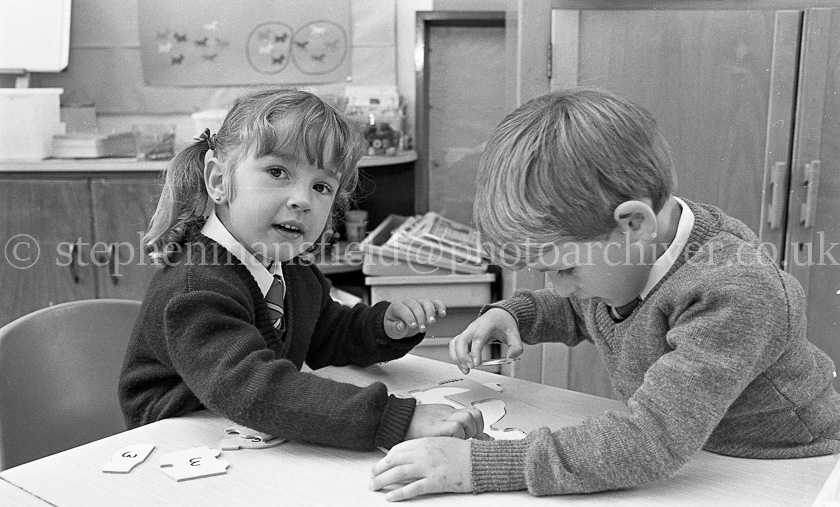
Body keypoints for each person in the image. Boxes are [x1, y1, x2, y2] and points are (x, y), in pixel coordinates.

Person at [369, 87, 840, 500]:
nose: (557, 284)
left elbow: (649, 442)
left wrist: (476, 466)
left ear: (634, 224)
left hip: (787, 465)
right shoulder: (627, 253)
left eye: (565, 268)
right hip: (701, 450)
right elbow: (588, 308)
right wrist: (517, 315)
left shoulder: (734, 292)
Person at [119, 88, 484, 451]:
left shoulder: (291, 267)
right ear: (218, 181)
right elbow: (255, 389)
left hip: (243, 432)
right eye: (277, 172)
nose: (302, 200)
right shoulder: (196, 286)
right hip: (174, 444)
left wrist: (383, 325)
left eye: (321, 186)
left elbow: (326, 333)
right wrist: (395, 419)